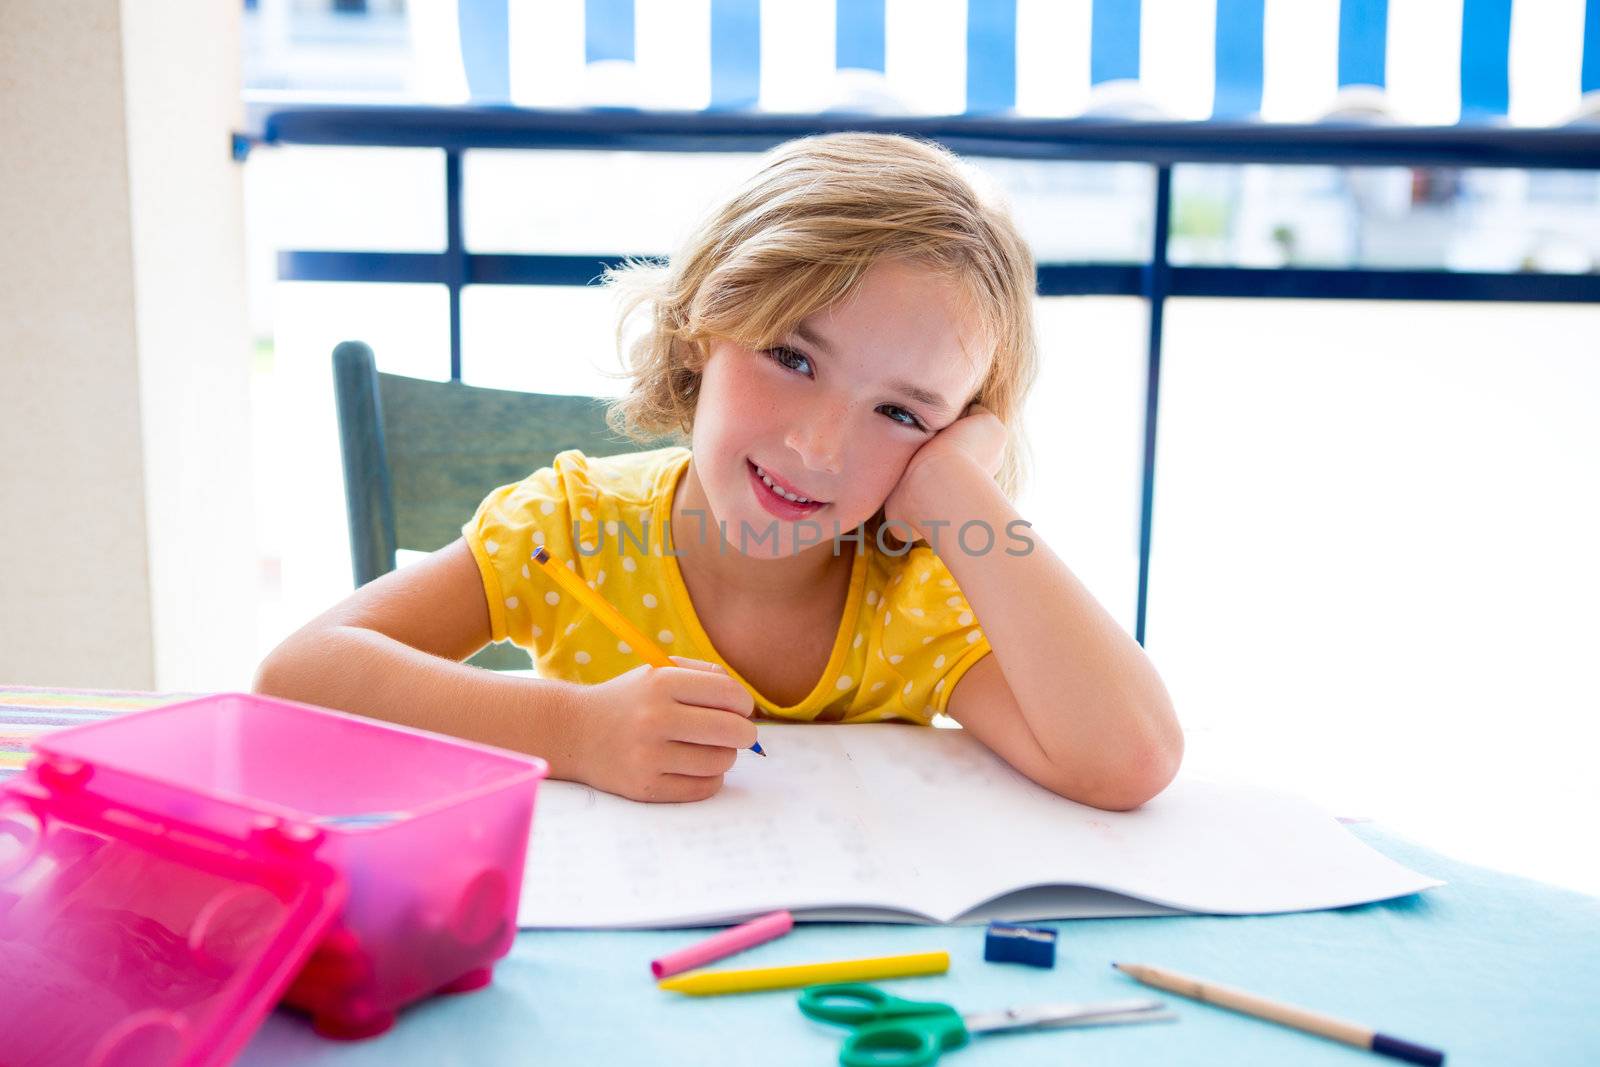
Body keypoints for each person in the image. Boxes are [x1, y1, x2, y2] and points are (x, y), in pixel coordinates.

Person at [254, 133, 1183, 810]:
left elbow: (1129, 760)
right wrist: (572, 731)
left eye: (900, 414)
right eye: (792, 357)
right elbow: (299, 677)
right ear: (703, 326)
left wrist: (954, 494)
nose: (819, 449)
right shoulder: (572, 529)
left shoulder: (915, 596)